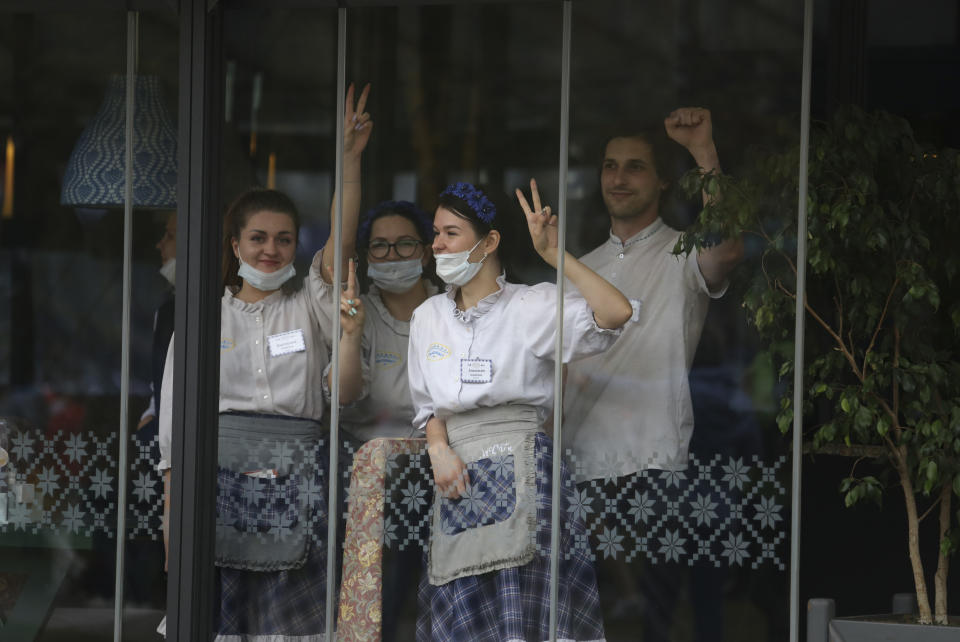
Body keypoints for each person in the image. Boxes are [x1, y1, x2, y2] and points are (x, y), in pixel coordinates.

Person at [157, 87, 373, 640]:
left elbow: (342, 237)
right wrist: (171, 509)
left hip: (300, 482)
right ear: (234, 244)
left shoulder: (311, 302)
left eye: (283, 239)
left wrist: (348, 160)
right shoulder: (204, 318)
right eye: (257, 238)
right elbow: (175, 422)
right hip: (217, 483)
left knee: (288, 625)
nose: (270, 250)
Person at [409, 180, 632, 641]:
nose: (436, 244)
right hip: (458, 478)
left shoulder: (530, 304)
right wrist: (437, 449)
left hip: (527, 472)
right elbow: (428, 408)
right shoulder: (427, 316)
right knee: (461, 614)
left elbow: (615, 312)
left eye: (451, 233)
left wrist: (554, 254)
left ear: (489, 242)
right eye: (435, 233)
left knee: (526, 619)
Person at [561, 108, 744, 641]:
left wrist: (703, 151)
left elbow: (728, 249)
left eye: (635, 167)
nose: (618, 178)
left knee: (652, 628)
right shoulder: (579, 268)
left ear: (662, 180)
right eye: (610, 166)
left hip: (653, 468)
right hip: (577, 471)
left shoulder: (681, 253)